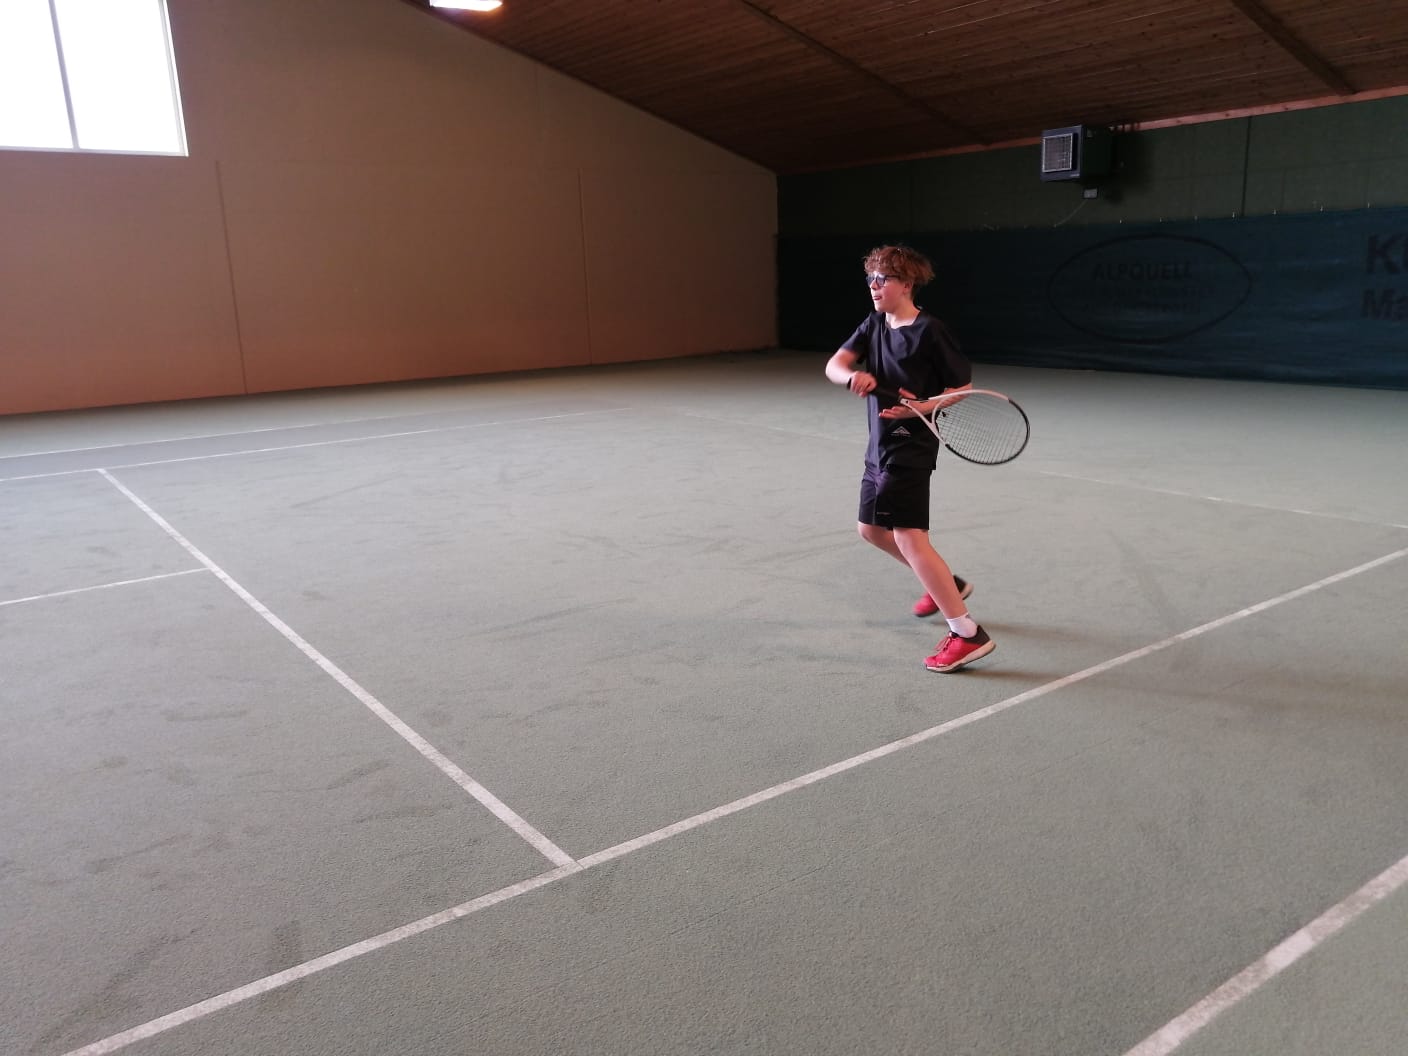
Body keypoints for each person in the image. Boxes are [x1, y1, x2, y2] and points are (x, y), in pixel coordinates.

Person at [824, 244, 995, 673]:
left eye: (882, 279)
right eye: (870, 279)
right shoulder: (874, 324)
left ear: (906, 284)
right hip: (878, 446)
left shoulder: (930, 331)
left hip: (910, 445)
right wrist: (852, 376)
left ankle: (966, 633)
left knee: (907, 536)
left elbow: (961, 388)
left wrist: (922, 407)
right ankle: (948, 585)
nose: (873, 286)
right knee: (870, 530)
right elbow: (835, 364)